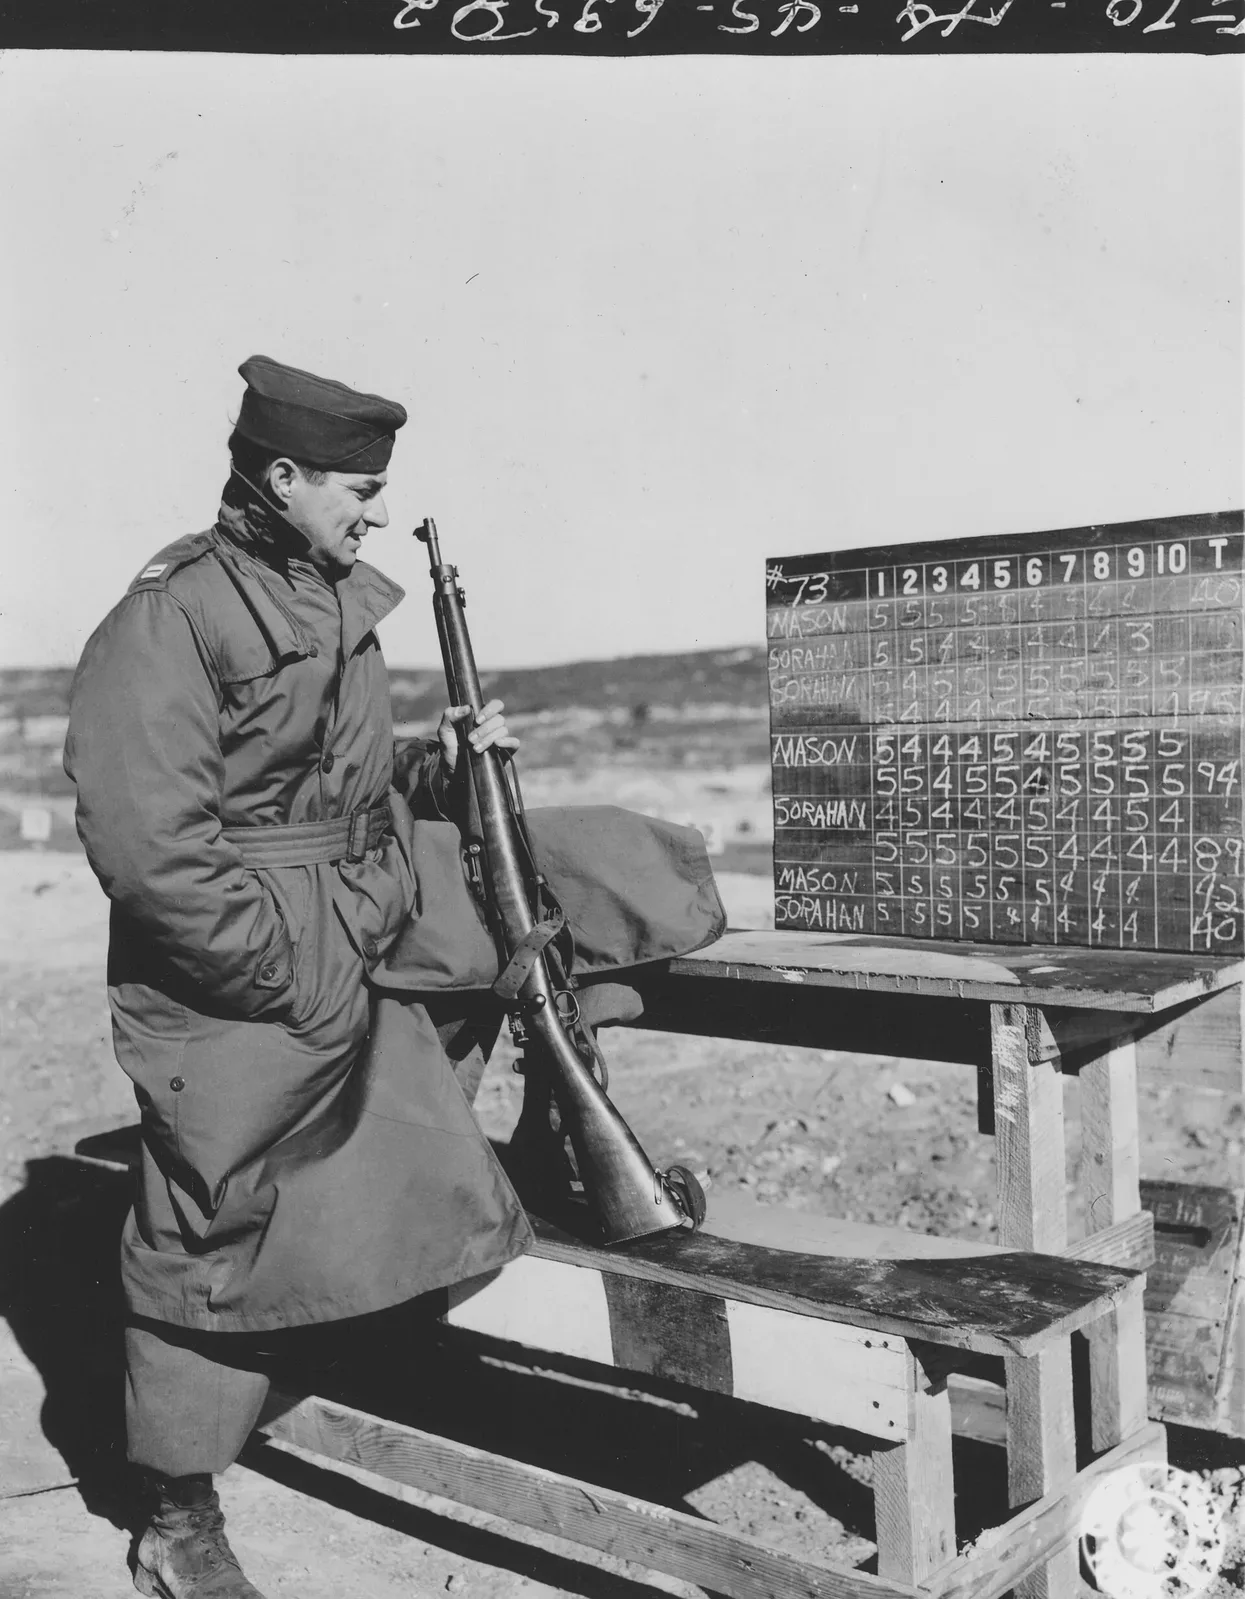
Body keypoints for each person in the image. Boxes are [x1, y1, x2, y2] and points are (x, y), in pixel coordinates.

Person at [64, 355, 534, 1599]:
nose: (375, 510)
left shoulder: (327, 598)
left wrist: (444, 771)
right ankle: (174, 1512)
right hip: (235, 976)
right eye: (359, 488)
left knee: (579, 888)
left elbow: (342, 786)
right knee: (207, 1226)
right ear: (283, 476)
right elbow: (147, 845)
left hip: (341, 926)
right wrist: (281, 971)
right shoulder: (171, 614)